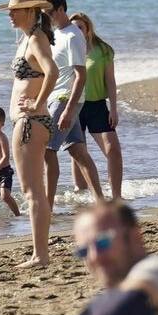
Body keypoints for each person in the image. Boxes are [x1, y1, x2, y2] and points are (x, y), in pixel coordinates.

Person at [0, 0, 59, 268]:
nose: (10, 14)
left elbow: (53, 71)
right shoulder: (27, 39)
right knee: (34, 190)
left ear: (31, 11)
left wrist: (37, 103)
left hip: (31, 122)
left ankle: (40, 255)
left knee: (32, 192)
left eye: (15, 10)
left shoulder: (36, 39)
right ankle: (39, 253)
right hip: (30, 122)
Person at [39, 0, 106, 207]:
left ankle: (47, 207)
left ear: (60, 9)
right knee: (78, 151)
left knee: (48, 152)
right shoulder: (55, 33)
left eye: (48, 12)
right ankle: (100, 202)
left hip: (65, 99)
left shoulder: (73, 36)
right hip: (58, 97)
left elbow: (81, 75)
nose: (45, 17)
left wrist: (68, 109)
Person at [70, 11, 124, 200]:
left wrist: (114, 108)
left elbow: (110, 80)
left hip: (97, 106)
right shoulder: (66, 48)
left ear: (88, 29)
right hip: (73, 106)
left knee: (113, 150)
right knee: (78, 152)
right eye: (73, 28)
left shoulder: (103, 50)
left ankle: (117, 196)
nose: (76, 31)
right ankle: (81, 195)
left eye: (80, 27)